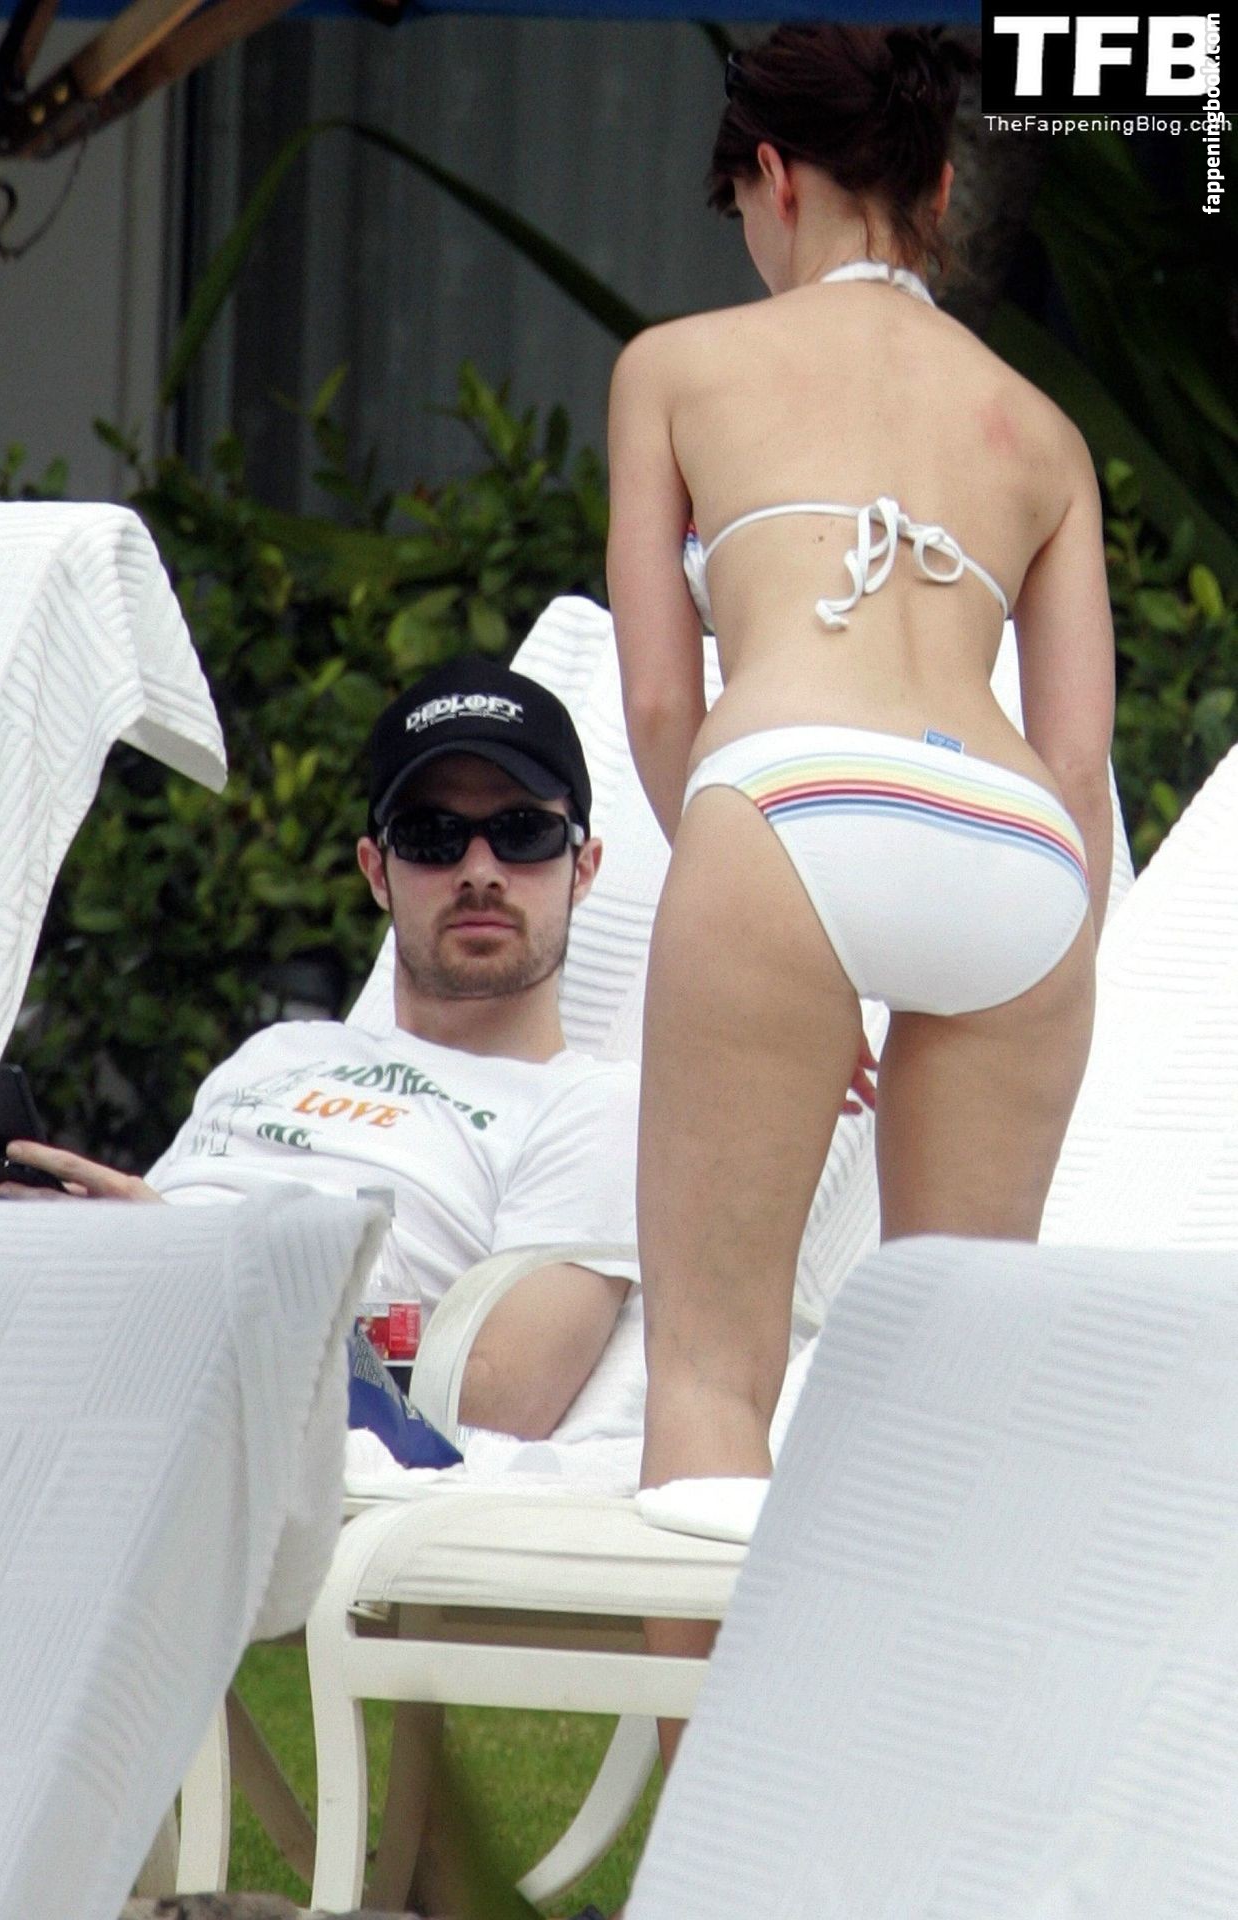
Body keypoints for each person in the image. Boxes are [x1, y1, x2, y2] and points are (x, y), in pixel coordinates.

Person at [606, 24, 1115, 1515]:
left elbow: (660, 701)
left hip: (790, 799)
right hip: (1017, 849)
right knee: (954, 1389)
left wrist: (760, 917)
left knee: (712, 1373)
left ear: (772, 178)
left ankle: (715, 1690)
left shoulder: (676, 367)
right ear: (939, 189)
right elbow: (1077, 756)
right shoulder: (1043, 432)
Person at [0, 657, 641, 1442]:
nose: (480, 872)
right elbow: (143, 1223)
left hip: (216, 1427)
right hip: (63, 1339)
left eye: (523, 832)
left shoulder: (596, 1108)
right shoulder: (280, 1053)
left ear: (582, 868)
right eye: (431, 837)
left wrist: (200, 1283)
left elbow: (499, 1402)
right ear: (377, 872)